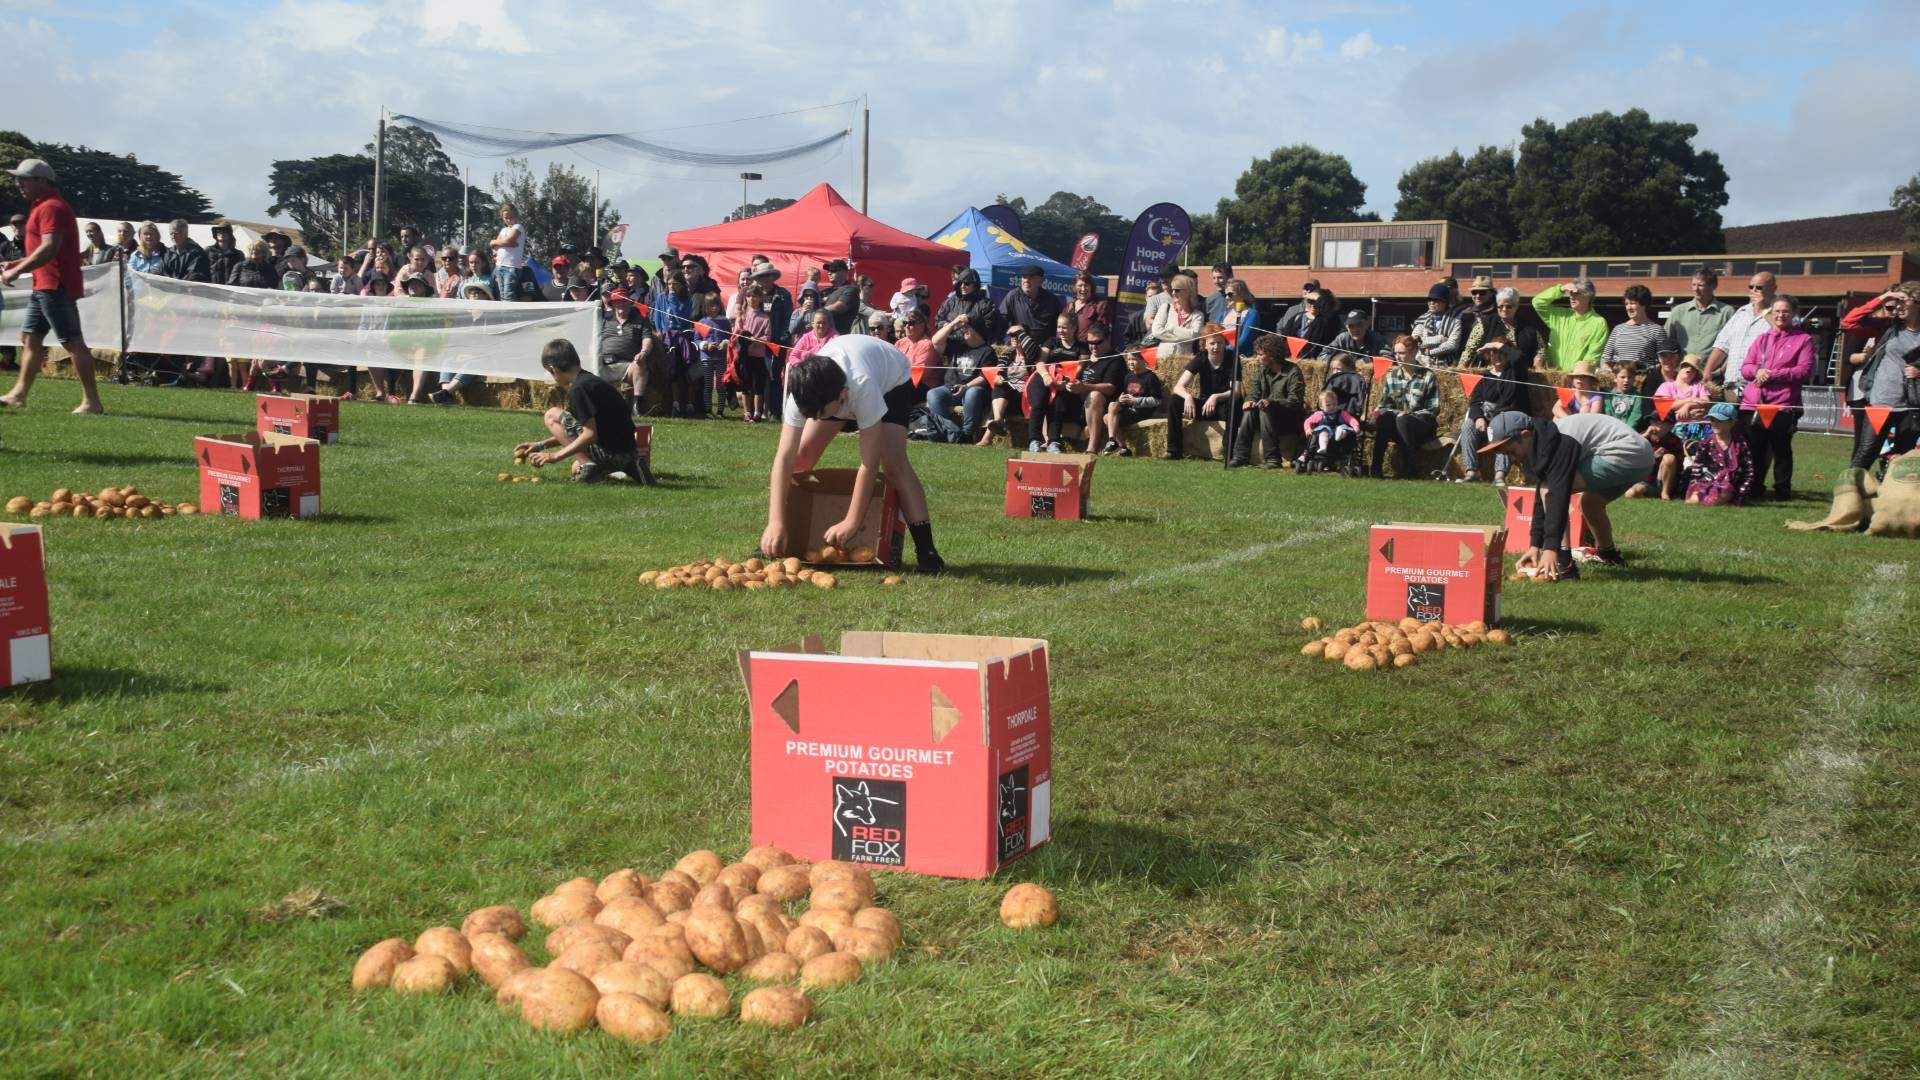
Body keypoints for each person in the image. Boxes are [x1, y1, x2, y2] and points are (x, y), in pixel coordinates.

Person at [764, 334, 946, 573]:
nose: (817, 420)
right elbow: (785, 458)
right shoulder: (802, 392)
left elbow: (869, 464)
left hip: (891, 379)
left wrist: (852, 521)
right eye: (812, 415)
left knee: (893, 463)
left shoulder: (863, 386)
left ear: (842, 395)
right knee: (802, 457)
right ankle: (782, 536)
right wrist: (775, 521)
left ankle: (928, 551)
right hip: (839, 385)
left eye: (822, 414)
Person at [1478, 411, 1651, 578]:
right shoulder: (1541, 439)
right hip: (1641, 457)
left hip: (1628, 452)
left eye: (1510, 451)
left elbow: (1555, 494)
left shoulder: (1557, 442)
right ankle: (1609, 554)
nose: (1510, 457)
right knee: (1589, 504)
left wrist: (1550, 549)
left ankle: (1564, 562)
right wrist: (1534, 545)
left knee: (1552, 491)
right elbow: (1541, 496)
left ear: (1525, 435)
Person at [0, 158, 105, 414]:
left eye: (24, 179)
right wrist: (19, 261)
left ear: (42, 181)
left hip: (54, 285)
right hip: (44, 285)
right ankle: (18, 395)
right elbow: (45, 249)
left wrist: (16, 270)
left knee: (73, 343)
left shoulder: (51, 207)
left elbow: (50, 248)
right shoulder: (44, 206)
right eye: (18, 179)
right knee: (30, 339)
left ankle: (92, 402)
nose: (19, 184)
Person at [518, 338, 649, 484]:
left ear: (553, 370)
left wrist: (555, 456)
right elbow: (575, 432)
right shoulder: (592, 381)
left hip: (611, 453)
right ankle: (631, 466)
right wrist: (540, 445)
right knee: (575, 467)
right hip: (629, 451)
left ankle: (589, 467)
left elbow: (589, 435)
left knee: (552, 415)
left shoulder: (578, 390)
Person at [1738, 294, 1814, 499]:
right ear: (1771, 313)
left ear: (1794, 314)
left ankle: (1782, 490)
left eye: (1785, 311)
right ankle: (1753, 487)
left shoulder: (1803, 340)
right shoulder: (1761, 339)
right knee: (1754, 449)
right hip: (1754, 403)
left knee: (1781, 450)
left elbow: (1804, 371)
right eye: (1777, 311)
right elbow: (1745, 367)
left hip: (1783, 404)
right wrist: (1757, 372)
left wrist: (1772, 374)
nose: (1781, 315)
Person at [1838, 283, 1920, 471]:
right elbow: (1849, 322)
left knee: (1903, 456)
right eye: (1895, 302)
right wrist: (1883, 298)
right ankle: (1850, 494)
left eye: (1902, 301)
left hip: (1912, 404)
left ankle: (1890, 495)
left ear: (1917, 303)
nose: (1897, 307)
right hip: (1881, 401)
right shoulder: (1888, 326)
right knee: (1866, 451)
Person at [1452, 338, 1532, 485]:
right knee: (1467, 425)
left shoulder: (1516, 371)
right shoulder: (1486, 377)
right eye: (1494, 353)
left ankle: (1499, 476)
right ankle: (1471, 472)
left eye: (1501, 352)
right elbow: (1475, 403)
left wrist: (1495, 344)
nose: (1497, 356)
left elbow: (1519, 357)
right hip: (1488, 425)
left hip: (1509, 421)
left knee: (1506, 427)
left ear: (1508, 353)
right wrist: (1478, 418)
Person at [1228, 335, 1305, 469]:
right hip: (1265, 418)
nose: (1256, 358)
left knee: (1265, 409)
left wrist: (1272, 402)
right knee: (1250, 410)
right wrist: (1250, 400)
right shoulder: (1262, 370)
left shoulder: (1293, 371)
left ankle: (1273, 459)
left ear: (1272, 355)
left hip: (1288, 420)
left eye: (1260, 354)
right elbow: (1254, 391)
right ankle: (1240, 456)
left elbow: (1295, 401)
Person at [1368, 336, 1439, 479]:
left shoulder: (1427, 376)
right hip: (1398, 422)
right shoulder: (1392, 375)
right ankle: (1375, 469)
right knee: (1384, 417)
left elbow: (1433, 409)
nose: (1397, 357)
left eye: (1402, 353)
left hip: (1422, 425)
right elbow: (1385, 403)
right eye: (1395, 353)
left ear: (1413, 353)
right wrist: (1381, 412)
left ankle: (1409, 469)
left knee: (1403, 419)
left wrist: (1408, 415)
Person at [1161, 325, 1235, 461]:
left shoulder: (1232, 358)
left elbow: (1238, 391)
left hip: (1224, 406)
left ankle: (1228, 453)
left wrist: (1216, 397)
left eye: (1219, 342)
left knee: (1234, 402)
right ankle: (1174, 451)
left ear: (1225, 343)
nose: (1216, 347)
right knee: (1175, 400)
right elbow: (1178, 386)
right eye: (1212, 343)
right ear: (1204, 345)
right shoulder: (1201, 358)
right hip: (1204, 407)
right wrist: (1188, 396)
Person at [1704, 271, 1775, 402]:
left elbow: (1784, 336)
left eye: (1759, 287)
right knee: (1728, 421)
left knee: (1755, 422)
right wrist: (1708, 370)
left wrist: (1764, 309)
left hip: (1761, 387)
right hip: (1732, 386)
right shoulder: (1741, 312)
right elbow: (1722, 345)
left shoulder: (1779, 313)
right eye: (1751, 287)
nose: (1754, 290)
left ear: (1773, 289)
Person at [598, 288, 654, 417]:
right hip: (604, 364)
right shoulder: (604, 320)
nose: (620, 305)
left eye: (624, 301)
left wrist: (643, 352)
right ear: (612, 305)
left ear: (630, 303)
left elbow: (647, 339)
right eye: (617, 302)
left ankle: (637, 406)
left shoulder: (640, 319)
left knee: (641, 363)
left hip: (628, 365)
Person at [1684, 403, 1754, 506]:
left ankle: (1725, 498)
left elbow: (1749, 472)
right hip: (1707, 482)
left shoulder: (1740, 444)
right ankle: (1708, 496)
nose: (1715, 424)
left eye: (1720, 421)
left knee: (1713, 501)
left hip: (1729, 485)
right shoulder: (1705, 443)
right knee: (1692, 501)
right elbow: (1696, 470)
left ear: (1732, 423)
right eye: (1712, 420)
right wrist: (1696, 487)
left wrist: (1740, 494)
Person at [1530, 278, 1608, 371]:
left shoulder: (1598, 323)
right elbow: (1537, 302)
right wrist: (1560, 289)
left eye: (1577, 293)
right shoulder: (1560, 316)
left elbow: (1592, 357)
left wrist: (1576, 377)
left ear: (1588, 296)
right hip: (1553, 377)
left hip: (1577, 381)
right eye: (1571, 293)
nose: (1572, 297)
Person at [1103, 349, 1164, 457]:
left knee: (1108, 418)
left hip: (1142, 412)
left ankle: (1120, 446)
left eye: (1134, 359)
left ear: (1143, 360)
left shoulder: (1150, 377)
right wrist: (1121, 400)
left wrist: (1136, 401)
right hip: (1129, 410)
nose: (1130, 362)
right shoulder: (1128, 376)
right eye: (1128, 359)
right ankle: (1114, 442)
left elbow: (1157, 400)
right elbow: (1125, 395)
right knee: (1111, 407)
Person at [1599, 284, 1673, 374]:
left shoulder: (1657, 330)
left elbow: (1663, 360)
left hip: (1644, 382)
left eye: (1633, 303)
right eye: (1626, 304)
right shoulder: (1618, 329)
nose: (1628, 307)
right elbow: (1605, 358)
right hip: (1618, 382)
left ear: (1644, 304)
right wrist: (1609, 371)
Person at [1464, 286, 1544, 368]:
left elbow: (1540, 350)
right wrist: (1460, 369)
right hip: (1490, 376)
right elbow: (1469, 351)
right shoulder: (1484, 324)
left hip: (1519, 376)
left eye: (1508, 306)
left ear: (1516, 306)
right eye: (1500, 306)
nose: (1504, 309)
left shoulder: (1530, 329)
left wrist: (1539, 363)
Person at [731, 283, 775, 423]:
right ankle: (747, 412)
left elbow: (767, 338)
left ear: (760, 298)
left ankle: (757, 412)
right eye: (749, 296)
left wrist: (756, 340)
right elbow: (736, 333)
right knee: (745, 385)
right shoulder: (742, 316)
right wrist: (742, 336)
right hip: (744, 356)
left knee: (758, 386)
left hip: (758, 356)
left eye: (754, 296)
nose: (751, 299)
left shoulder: (765, 318)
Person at [1000, 264, 1063, 361]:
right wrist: (1011, 330)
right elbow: (1001, 321)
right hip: (1020, 349)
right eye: (1024, 277)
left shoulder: (1051, 300)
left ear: (1041, 281)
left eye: (1031, 277)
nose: (1026, 280)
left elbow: (1059, 326)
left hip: (1045, 351)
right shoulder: (1012, 296)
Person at [1666, 269, 1734, 358]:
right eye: (1693, 285)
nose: (1695, 289)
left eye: (1700, 285)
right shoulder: (1678, 311)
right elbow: (1666, 341)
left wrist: (1722, 369)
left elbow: (1733, 344)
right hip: (1683, 370)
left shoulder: (1727, 312)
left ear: (1713, 286)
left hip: (1714, 371)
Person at [1145, 272, 1204, 364]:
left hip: (1184, 362)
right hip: (1163, 360)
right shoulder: (1165, 308)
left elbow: (1194, 336)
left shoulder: (1198, 315)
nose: (1173, 293)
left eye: (1177, 290)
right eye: (1172, 290)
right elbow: (1156, 332)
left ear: (1188, 291)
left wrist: (1171, 329)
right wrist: (1182, 336)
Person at [691, 293, 732, 420]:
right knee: (708, 385)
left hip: (721, 357)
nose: (714, 308)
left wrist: (725, 343)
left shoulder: (725, 322)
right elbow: (696, 339)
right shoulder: (702, 322)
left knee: (720, 385)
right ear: (705, 307)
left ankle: (720, 411)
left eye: (716, 305)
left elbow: (730, 337)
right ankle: (708, 410)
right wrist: (705, 345)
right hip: (707, 358)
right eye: (710, 306)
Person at [1624, 416, 1686, 501]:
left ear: (1670, 426)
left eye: (1658, 423)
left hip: (1665, 481)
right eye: (1652, 422)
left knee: (1669, 458)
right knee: (1630, 493)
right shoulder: (1644, 437)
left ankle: (1665, 493)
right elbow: (1629, 453)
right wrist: (1645, 436)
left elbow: (1679, 467)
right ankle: (1650, 494)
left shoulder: (1673, 440)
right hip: (1648, 481)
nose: (1654, 425)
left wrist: (1664, 455)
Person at [1300, 389, 1360, 471]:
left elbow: (1351, 419)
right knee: (1323, 429)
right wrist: (1308, 429)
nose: (1332, 407)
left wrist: (1355, 426)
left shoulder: (1342, 413)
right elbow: (1308, 421)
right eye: (1328, 405)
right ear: (1321, 406)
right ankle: (1323, 447)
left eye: (1334, 404)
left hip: (1339, 434)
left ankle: (1340, 434)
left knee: (1343, 427)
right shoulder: (1319, 415)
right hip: (1326, 434)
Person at [1410, 283, 1465, 366]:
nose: (1431, 303)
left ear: (1445, 302)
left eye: (1436, 300)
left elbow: (1452, 345)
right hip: (1423, 363)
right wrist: (1440, 339)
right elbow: (1414, 341)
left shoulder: (1455, 320)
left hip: (1447, 365)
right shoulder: (1422, 320)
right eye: (1429, 300)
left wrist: (1429, 351)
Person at [489, 202, 526, 302]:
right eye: (506, 218)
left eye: (511, 217)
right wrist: (495, 243)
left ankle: (511, 315)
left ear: (516, 215)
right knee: (502, 295)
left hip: (511, 266)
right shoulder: (503, 230)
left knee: (508, 294)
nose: (509, 220)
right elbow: (494, 246)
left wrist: (498, 242)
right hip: (500, 265)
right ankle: (504, 315)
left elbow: (509, 240)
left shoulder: (518, 227)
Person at [1067, 272, 1114, 344]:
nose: (1083, 289)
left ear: (1091, 287)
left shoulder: (1100, 305)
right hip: (1069, 348)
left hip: (1088, 349)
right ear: (1075, 287)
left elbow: (1102, 332)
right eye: (1080, 285)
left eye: (1086, 285)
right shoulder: (1069, 306)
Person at [818, 259, 862, 334]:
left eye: (833, 270)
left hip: (838, 336)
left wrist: (816, 312)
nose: (829, 273)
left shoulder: (851, 289)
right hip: (820, 335)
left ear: (844, 272)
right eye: (828, 271)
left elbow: (839, 307)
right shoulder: (824, 291)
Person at [1602, 362, 1649, 431]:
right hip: (1610, 429)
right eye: (1622, 377)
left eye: (1629, 377)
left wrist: (1625, 430)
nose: (1626, 380)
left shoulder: (1637, 397)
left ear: (1634, 379)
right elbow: (1607, 412)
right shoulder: (1609, 396)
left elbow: (1635, 415)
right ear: (1615, 378)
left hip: (1628, 431)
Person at [1222, 278, 1262, 358]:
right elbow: (1213, 332)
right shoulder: (1224, 314)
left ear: (1241, 294)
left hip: (1241, 357)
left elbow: (1244, 341)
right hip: (1223, 356)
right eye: (1225, 295)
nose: (1227, 297)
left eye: (1230, 294)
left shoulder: (1252, 314)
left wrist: (1223, 350)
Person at [1323, 353, 1369, 420]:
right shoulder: (1332, 382)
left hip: (1349, 418)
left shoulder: (1357, 382)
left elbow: (1359, 403)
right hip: (1329, 416)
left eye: (1338, 369)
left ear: (1350, 369)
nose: (1335, 372)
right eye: (1333, 369)